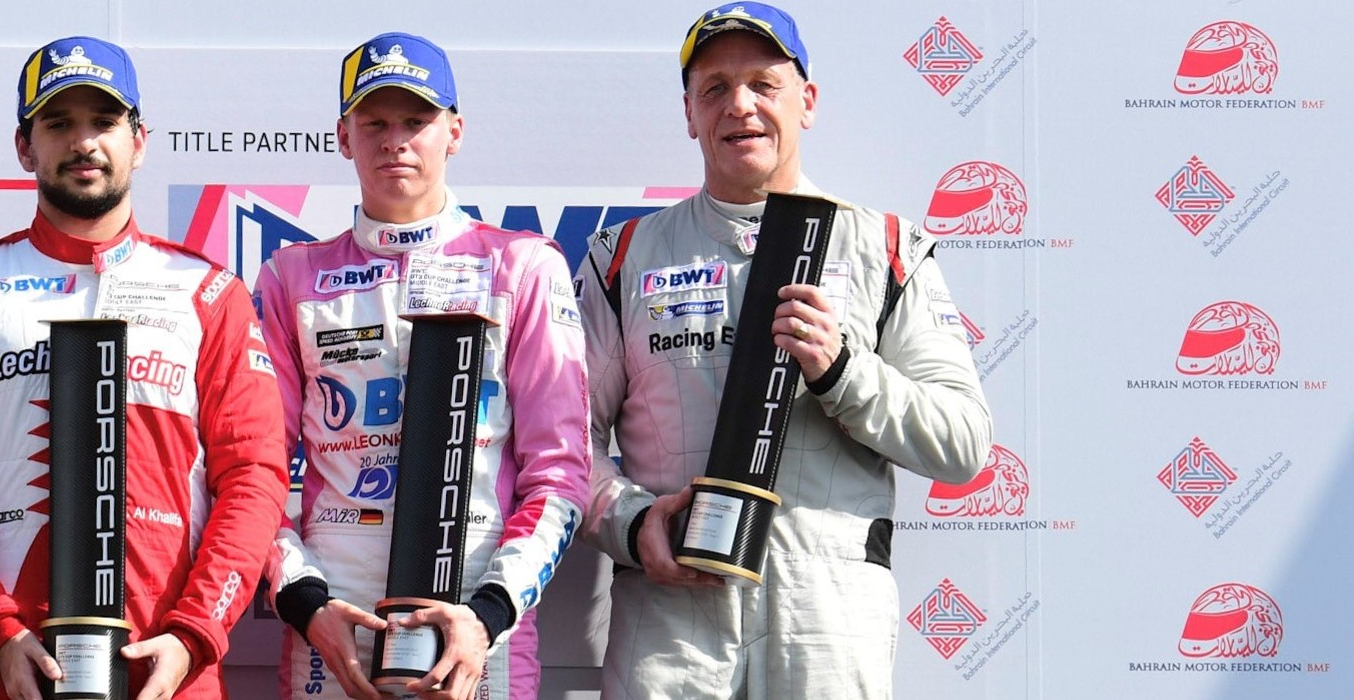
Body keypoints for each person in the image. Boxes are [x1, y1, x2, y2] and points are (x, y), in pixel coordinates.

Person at [574, 4, 994, 699]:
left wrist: (844, 371)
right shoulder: (623, 256)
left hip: (827, 619)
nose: (739, 105)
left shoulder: (886, 247)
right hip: (671, 615)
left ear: (808, 101)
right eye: (714, 87)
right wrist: (633, 523)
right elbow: (564, 445)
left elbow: (963, 444)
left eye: (763, 84)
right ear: (689, 113)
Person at [0, 36, 287, 700]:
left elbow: (253, 474)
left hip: (165, 655)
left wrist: (195, 631)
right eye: (58, 124)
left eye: (103, 121)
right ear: (25, 146)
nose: (83, 142)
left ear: (140, 141)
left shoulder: (207, 291)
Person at [257, 32, 590, 700]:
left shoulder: (522, 265)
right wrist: (305, 603)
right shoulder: (291, 276)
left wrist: (489, 612)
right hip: (334, 627)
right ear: (343, 137)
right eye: (374, 124)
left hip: (475, 626)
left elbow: (559, 476)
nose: (395, 141)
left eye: (416, 121)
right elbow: (255, 473)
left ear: (454, 132)